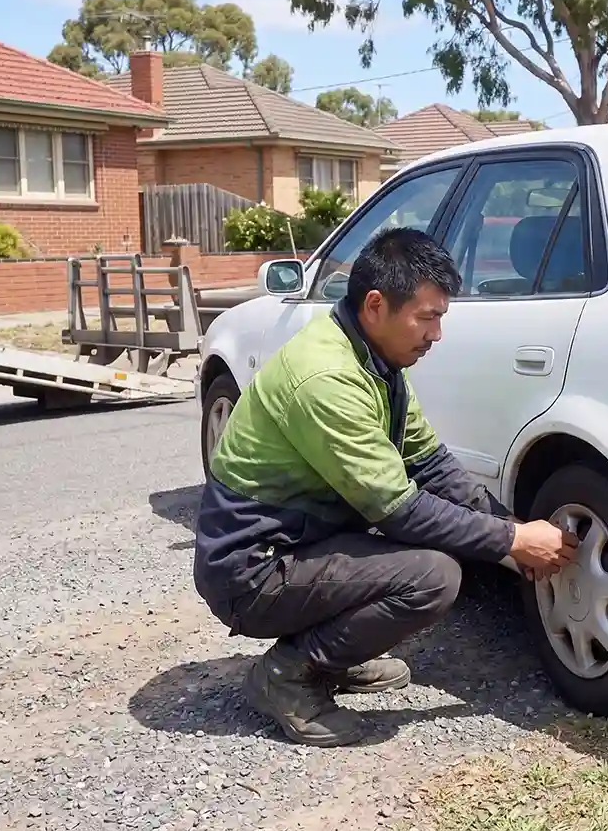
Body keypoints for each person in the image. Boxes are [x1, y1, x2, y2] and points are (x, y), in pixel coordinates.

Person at [193, 226, 578, 748]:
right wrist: (512, 543)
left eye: (441, 317)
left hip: (302, 539)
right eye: (427, 317)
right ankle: (287, 676)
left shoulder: (375, 359)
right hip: (251, 568)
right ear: (376, 305)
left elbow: (431, 464)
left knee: (438, 545)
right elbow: (399, 510)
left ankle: (330, 654)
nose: (436, 334)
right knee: (433, 575)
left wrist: (508, 525)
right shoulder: (326, 377)